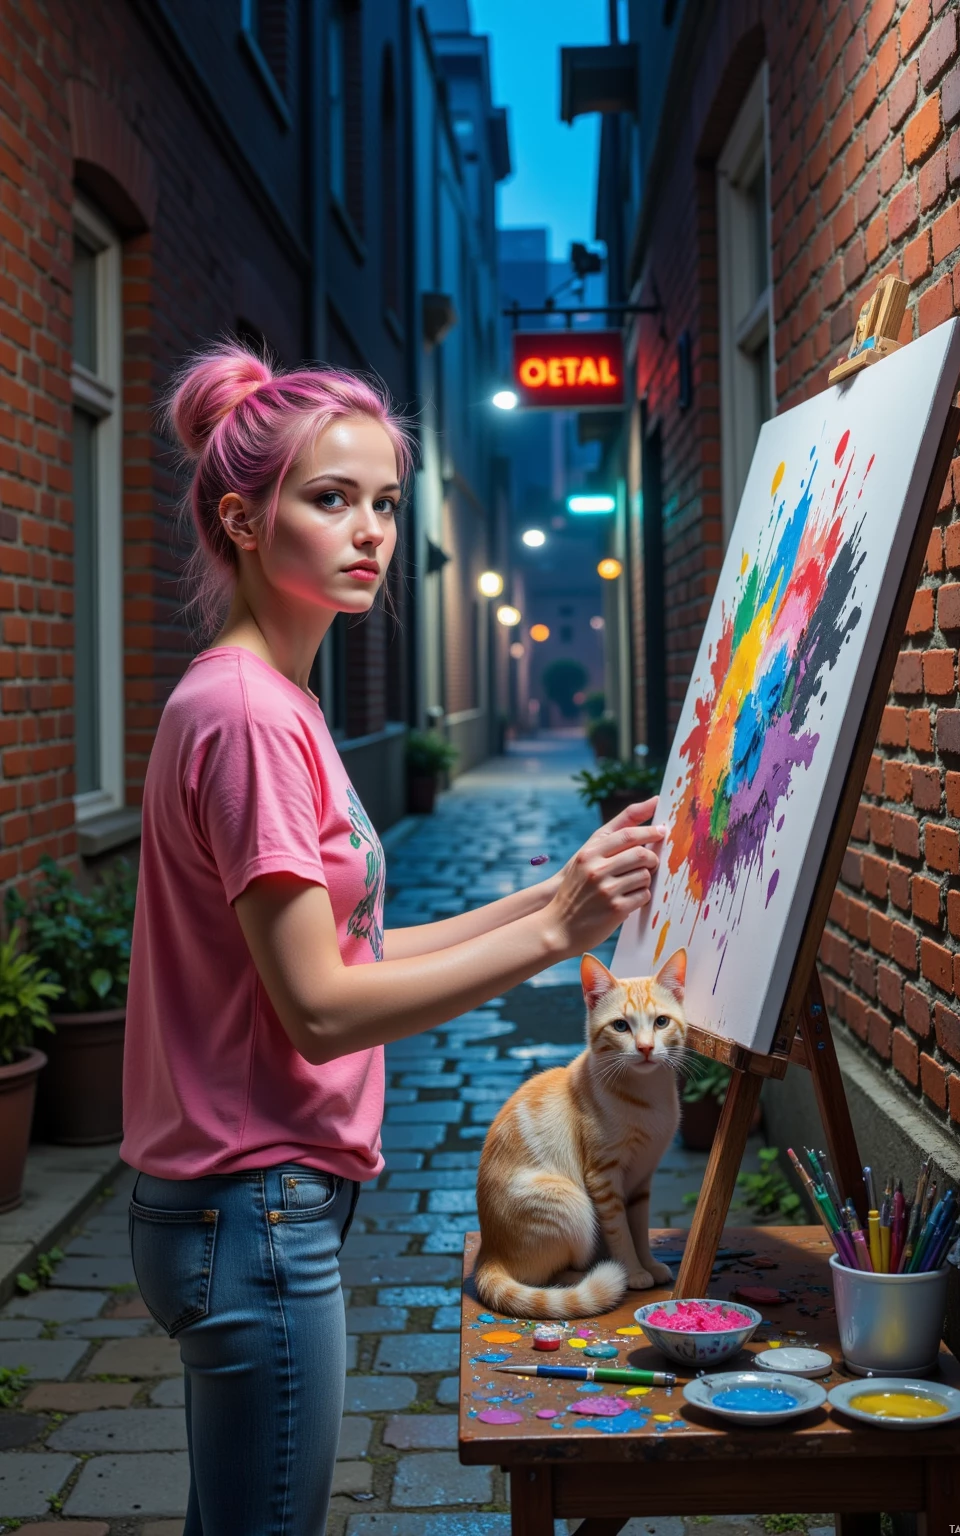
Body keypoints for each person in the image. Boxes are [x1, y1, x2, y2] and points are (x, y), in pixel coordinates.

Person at [121, 342, 664, 1536]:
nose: (369, 530)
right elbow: (321, 1009)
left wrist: (552, 893)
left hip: (240, 1202)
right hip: (251, 1202)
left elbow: (356, 943)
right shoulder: (251, 718)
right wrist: (553, 936)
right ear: (242, 520)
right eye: (330, 499)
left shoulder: (272, 700)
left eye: (383, 502)